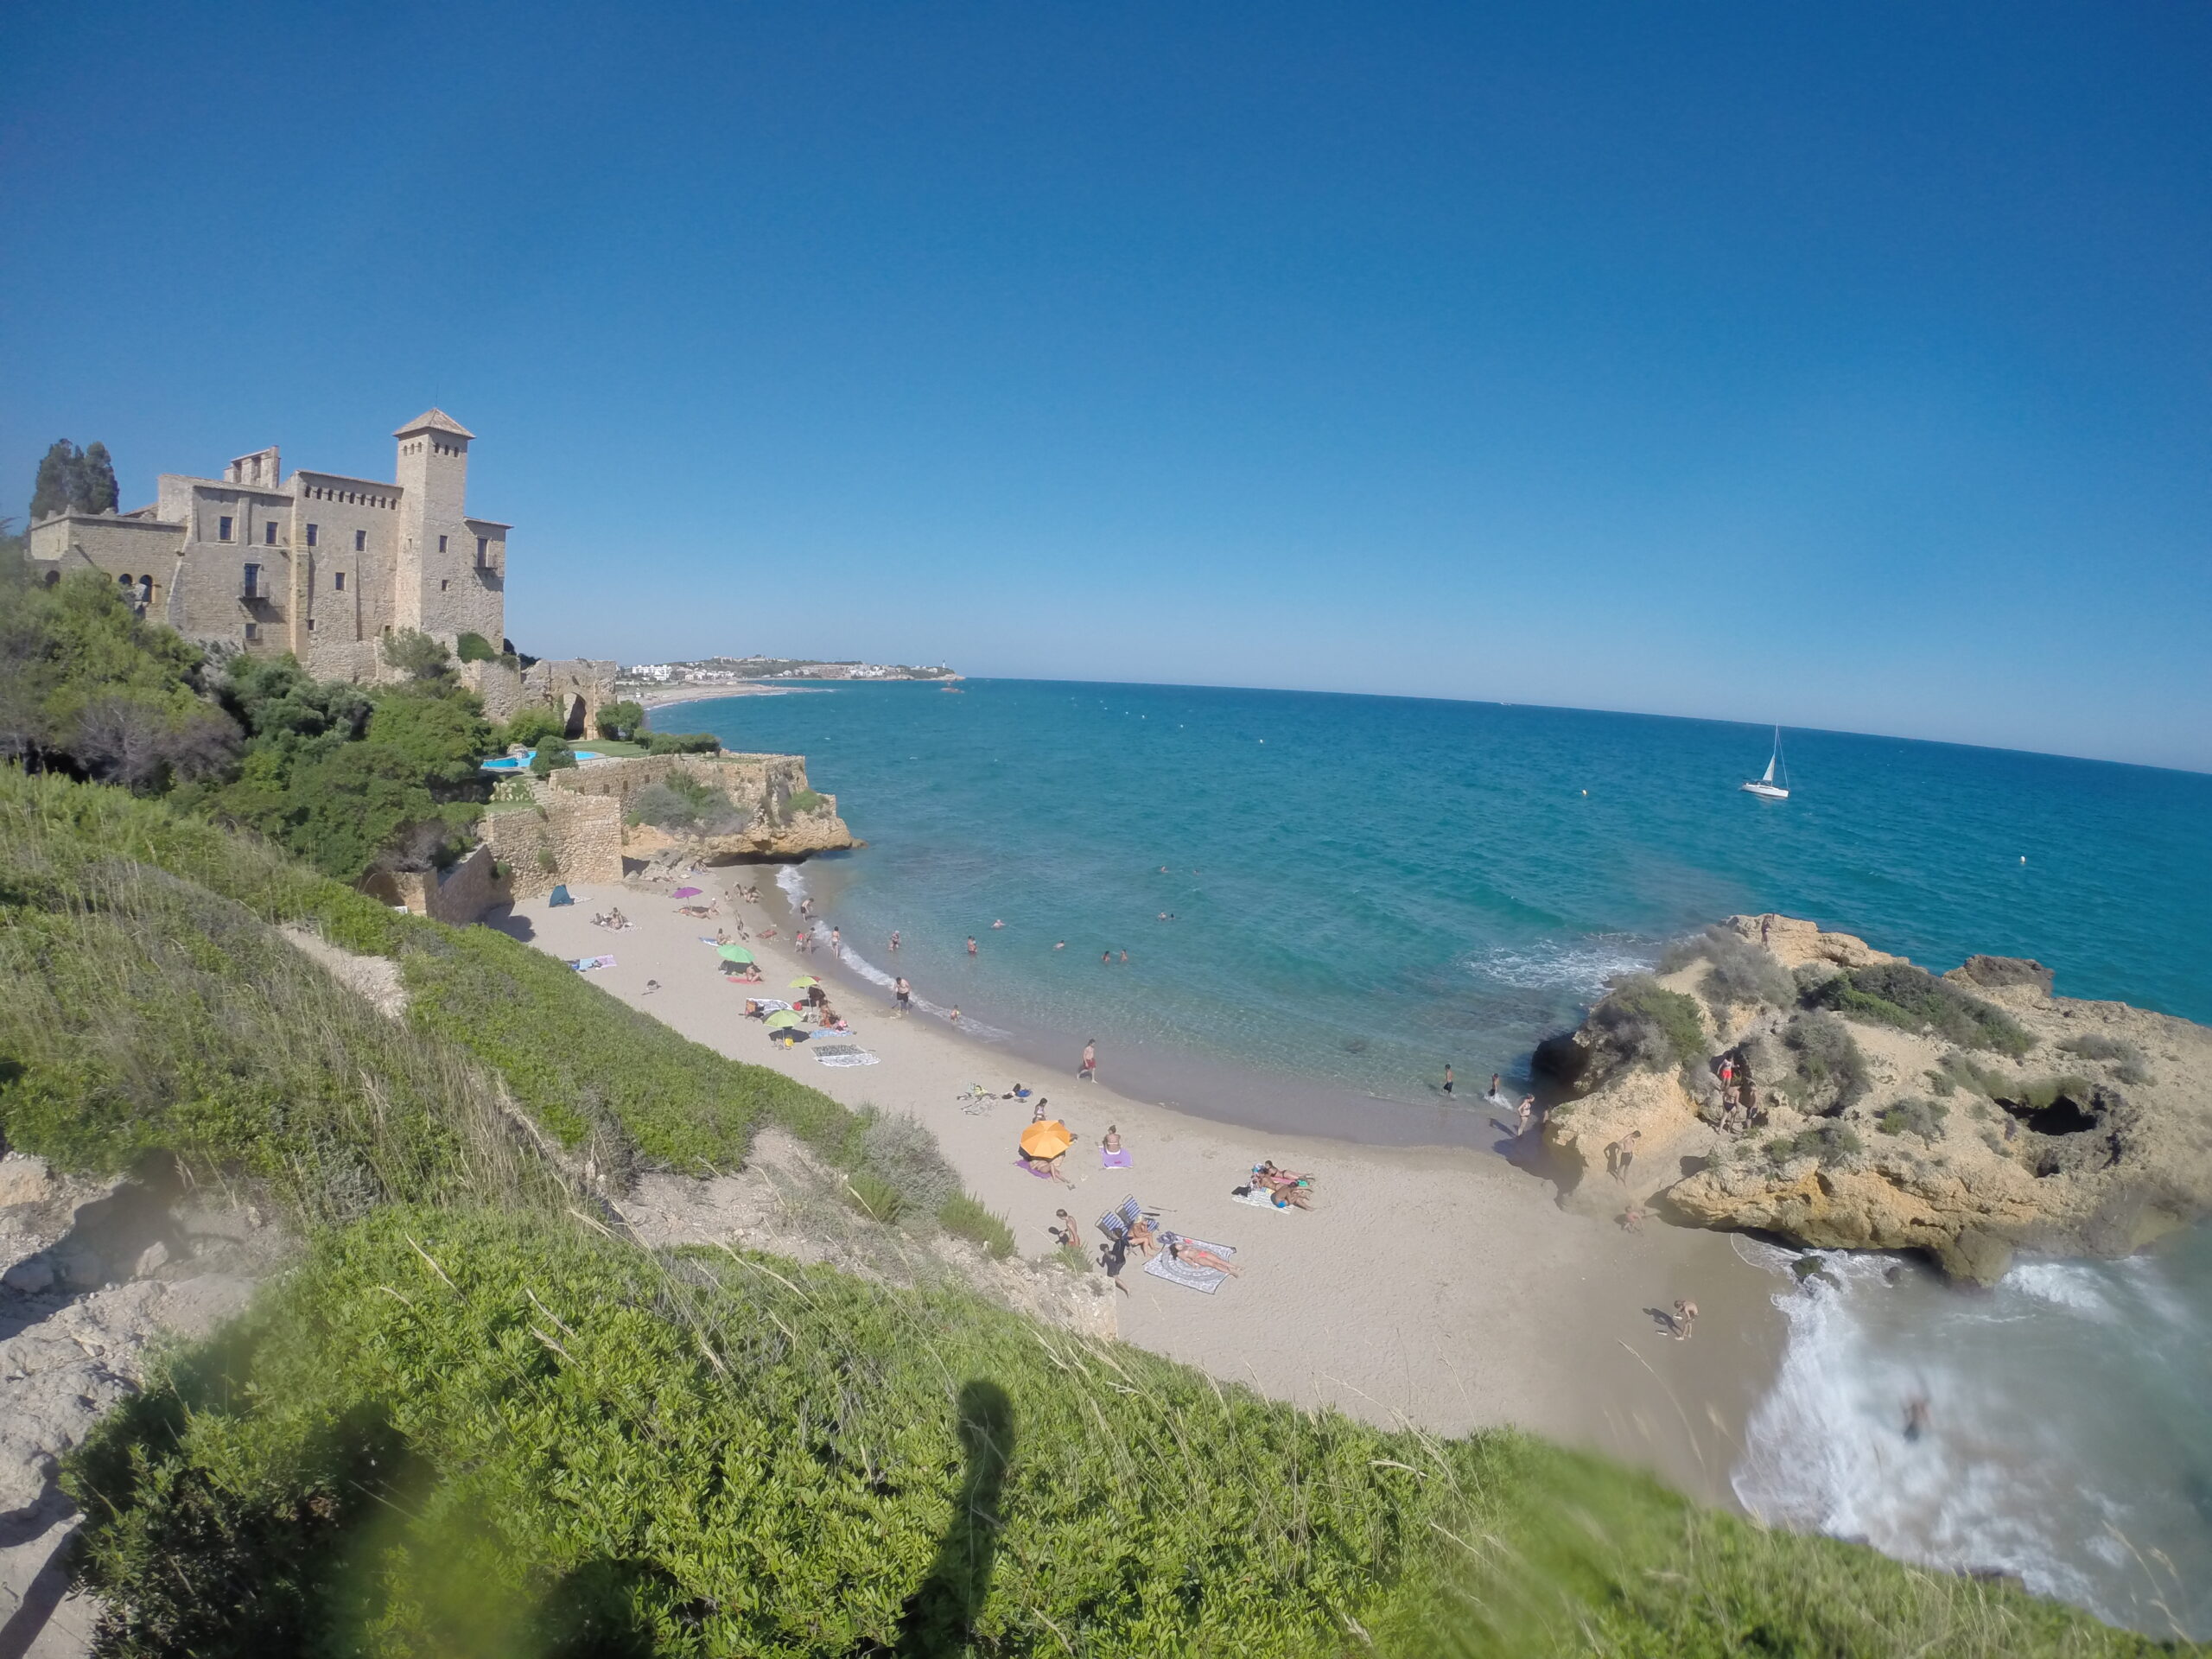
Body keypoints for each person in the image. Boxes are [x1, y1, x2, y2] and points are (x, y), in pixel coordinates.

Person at [1163, 1235, 1242, 1277]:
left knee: (1219, 1261)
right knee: (1214, 1264)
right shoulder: (1180, 1253)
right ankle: (1231, 1272)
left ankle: (1235, 1267)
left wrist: (1188, 1243)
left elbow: (1192, 1244)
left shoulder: (1185, 1246)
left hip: (1202, 1253)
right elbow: (1187, 1260)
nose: (1179, 1245)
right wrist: (1193, 1265)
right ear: (1176, 1249)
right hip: (1198, 1258)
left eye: (1179, 1244)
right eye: (1177, 1246)